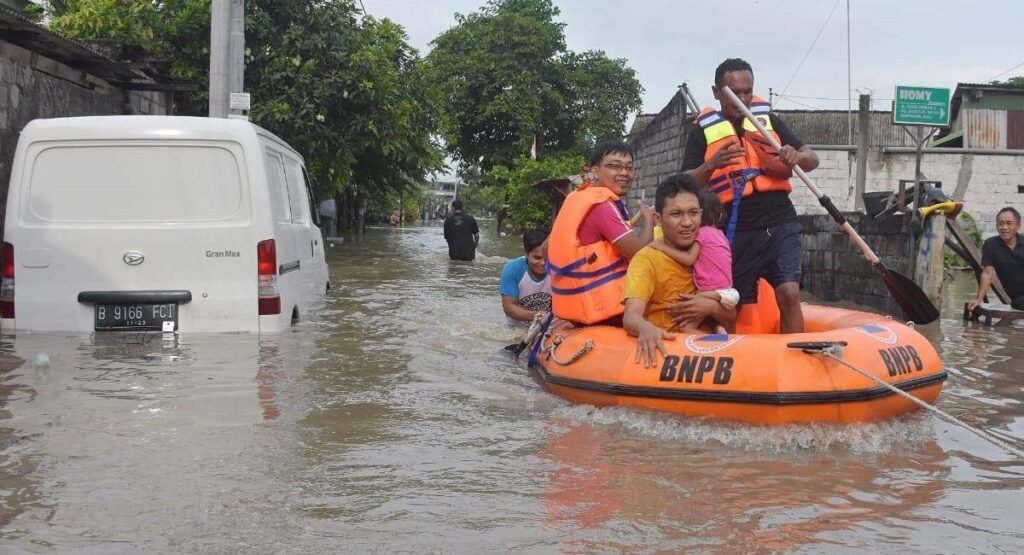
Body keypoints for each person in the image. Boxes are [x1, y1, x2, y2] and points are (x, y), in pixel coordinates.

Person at [682, 58, 819, 334]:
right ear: (717, 92)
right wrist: (711, 165)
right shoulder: (702, 132)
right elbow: (683, 183)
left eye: (747, 91)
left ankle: (796, 365)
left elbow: (811, 159)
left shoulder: (767, 121)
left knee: (790, 293)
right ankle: (730, 362)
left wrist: (797, 155)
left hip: (779, 219)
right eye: (735, 93)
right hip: (734, 226)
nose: (743, 98)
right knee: (731, 302)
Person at [623, 175, 737, 367]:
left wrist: (711, 307)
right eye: (676, 214)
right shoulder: (646, 259)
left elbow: (731, 319)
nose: (687, 222)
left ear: (702, 214)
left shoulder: (709, 251)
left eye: (693, 213)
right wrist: (645, 327)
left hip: (713, 354)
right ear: (658, 219)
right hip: (670, 358)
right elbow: (631, 316)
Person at [547, 140, 655, 326]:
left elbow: (544, 249)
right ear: (595, 171)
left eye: (629, 168)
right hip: (602, 312)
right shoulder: (602, 205)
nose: (624, 173)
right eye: (614, 166)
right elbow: (641, 254)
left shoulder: (576, 197)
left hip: (575, 308)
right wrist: (649, 221)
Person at [648, 187, 739, 333]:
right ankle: (718, 331)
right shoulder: (721, 235)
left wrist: (661, 246)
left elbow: (690, 259)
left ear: (698, 216)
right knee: (712, 321)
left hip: (709, 290)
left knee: (686, 327)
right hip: (728, 291)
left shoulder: (702, 234)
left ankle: (714, 344)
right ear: (720, 216)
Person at [969, 207, 1024, 311]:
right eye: (1001, 223)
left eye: (1009, 223)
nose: (1004, 227)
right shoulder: (991, 245)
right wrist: (978, 299)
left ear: (1018, 226)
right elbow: (987, 273)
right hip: (1018, 299)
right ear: (996, 226)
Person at [499, 229, 552, 325]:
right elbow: (509, 308)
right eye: (537, 258)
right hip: (516, 327)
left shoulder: (559, 268)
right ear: (526, 253)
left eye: (547, 258)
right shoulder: (513, 268)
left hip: (547, 327)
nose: (543, 263)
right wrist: (538, 316)